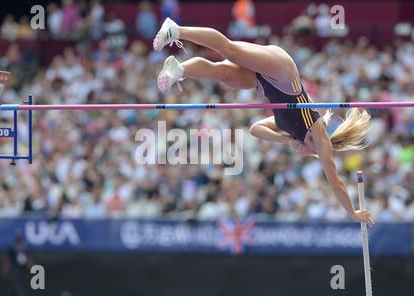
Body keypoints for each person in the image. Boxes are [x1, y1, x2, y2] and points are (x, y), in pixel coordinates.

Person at [153, 18, 374, 225]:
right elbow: (335, 181)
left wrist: (286, 139)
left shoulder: (290, 131)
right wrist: (352, 213)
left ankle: (180, 69)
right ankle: (176, 30)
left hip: (263, 83)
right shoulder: (319, 134)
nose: (301, 154)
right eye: (308, 155)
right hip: (282, 72)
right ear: (312, 150)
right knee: (229, 50)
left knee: (222, 74)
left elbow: (255, 129)